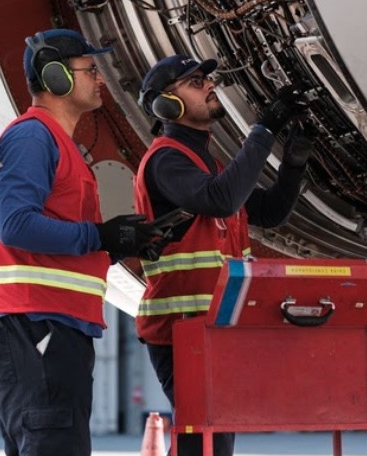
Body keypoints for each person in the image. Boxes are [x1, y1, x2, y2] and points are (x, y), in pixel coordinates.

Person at [0, 29, 164, 456]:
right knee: (53, 443)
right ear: (56, 77)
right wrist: (98, 235)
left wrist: (116, 244)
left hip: (48, 323)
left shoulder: (53, 142)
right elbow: (16, 225)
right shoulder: (32, 137)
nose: (100, 79)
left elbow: (56, 237)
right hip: (34, 323)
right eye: (90, 70)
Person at [134, 55, 314, 456]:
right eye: (195, 82)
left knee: (211, 441)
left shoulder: (207, 165)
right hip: (182, 331)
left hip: (213, 329)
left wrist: (294, 164)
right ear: (166, 104)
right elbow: (221, 200)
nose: (210, 85)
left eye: (207, 79)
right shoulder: (166, 161)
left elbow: (269, 211)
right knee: (205, 443)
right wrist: (264, 129)